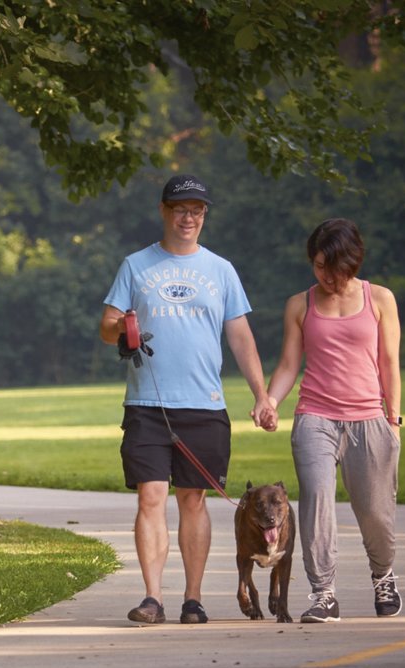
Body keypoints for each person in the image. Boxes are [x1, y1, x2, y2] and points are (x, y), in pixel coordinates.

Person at [100, 174, 274, 625]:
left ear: (205, 215)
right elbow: (106, 325)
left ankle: (193, 599)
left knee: (193, 500)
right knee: (151, 497)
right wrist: (123, 327)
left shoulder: (221, 270)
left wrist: (262, 395)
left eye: (196, 209)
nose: (188, 217)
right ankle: (152, 598)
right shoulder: (136, 265)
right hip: (147, 405)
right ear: (164, 210)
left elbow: (240, 337)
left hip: (204, 404)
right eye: (180, 208)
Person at [263, 218, 403, 623]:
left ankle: (383, 575)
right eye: (318, 266)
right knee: (316, 503)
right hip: (315, 418)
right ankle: (324, 593)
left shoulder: (380, 299)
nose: (326, 276)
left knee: (375, 512)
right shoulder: (299, 305)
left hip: (369, 418)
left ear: (352, 261)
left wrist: (393, 420)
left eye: (334, 267)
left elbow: (389, 363)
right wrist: (271, 399)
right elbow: (290, 363)